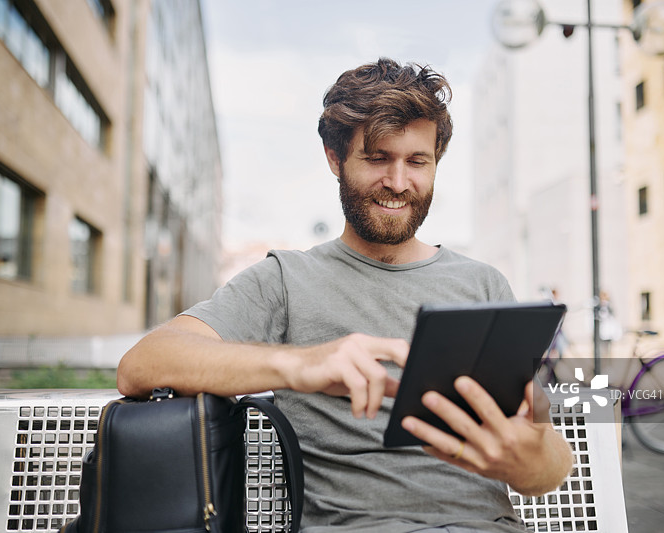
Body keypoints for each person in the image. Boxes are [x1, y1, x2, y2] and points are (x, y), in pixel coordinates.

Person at [118, 58, 573, 532]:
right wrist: (300, 365)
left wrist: (528, 460)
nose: (398, 183)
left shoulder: (484, 285)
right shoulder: (287, 279)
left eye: (417, 161)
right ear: (335, 158)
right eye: (377, 158)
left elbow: (549, 462)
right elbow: (141, 364)